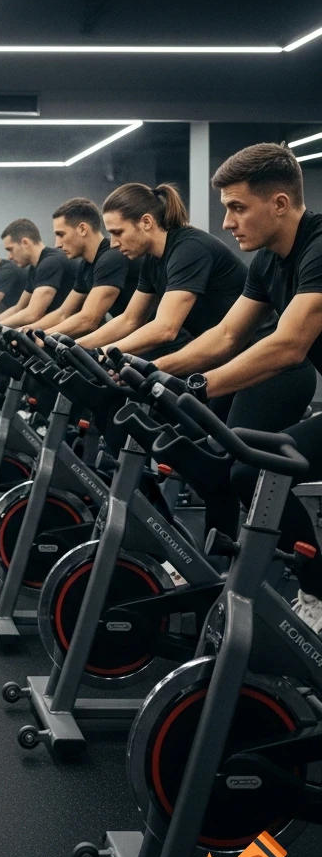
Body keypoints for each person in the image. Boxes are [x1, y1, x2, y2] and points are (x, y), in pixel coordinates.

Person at [149, 143, 322, 626]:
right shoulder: (269, 261)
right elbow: (225, 335)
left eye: (237, 207)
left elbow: (288, 345)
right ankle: (314, 589)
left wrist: (198, 387)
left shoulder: (319, 248)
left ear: (280, 204)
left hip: (290, 374)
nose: (227, 222)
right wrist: (157, 371)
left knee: (255, 471)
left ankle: (315, 591)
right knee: (248, 471)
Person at [77, 182, 246, 358]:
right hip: (221, 350)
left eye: (118, 232)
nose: (113, 243)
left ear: (146, 222)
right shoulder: (152, 259)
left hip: (251, 347)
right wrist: (74, 347)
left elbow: (165, 328)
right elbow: (130, 319)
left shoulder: (189, 249)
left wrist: (102, 352)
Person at [33, 197, 141, 336]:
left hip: (156, 345)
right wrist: (27, 330)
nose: (57, 244)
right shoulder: (86, 265)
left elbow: (88, 320)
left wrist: (41, 336)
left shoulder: (111, 258)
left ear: (83, 229)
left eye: (61, 234)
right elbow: (63, 313)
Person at [0, 218, 78, 327]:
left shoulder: (51, 262)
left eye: (10, 249)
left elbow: (33, 313)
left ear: (25, 243)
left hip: (75, 334)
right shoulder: (35, 267)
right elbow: (18, 308)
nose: (9, 257)